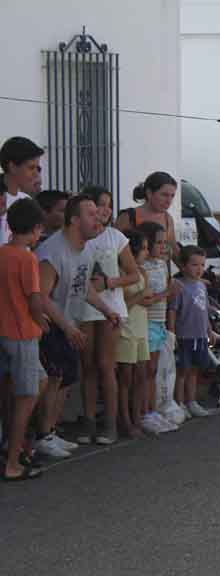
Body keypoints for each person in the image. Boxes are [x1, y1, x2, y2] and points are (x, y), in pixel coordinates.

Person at [35, 194, 121, 459]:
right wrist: (67, 327)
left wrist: (107, 310)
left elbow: (83, 288)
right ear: (74, 220)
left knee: (64, 379)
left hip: (69, 322)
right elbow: (41, 297)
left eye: (99, 213)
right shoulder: (52, 251)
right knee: (54, 379)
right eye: (91, 214)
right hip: (50, 326)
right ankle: (41, 436)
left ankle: (50, 431)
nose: (99, 218)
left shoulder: (86, 248)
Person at [77, 187, 139, 446]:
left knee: (106, 364)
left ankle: (110, 423)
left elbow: (134, 274)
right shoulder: (79, 238)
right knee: (87, 366)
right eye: (99, 205)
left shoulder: (116, 237)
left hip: (111, 307)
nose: (105, 210)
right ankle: (89, 421)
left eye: (108, 205)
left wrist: (110, 282)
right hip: (83, 308)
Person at [1, 199, 48, 480]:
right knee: (26, 397)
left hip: (4, 331)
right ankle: (13, 460)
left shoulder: (2, 253)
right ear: (36, 228)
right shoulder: (27, 258)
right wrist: (42, 321)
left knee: (33, 384)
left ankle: (10, 446)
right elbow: (34, 298)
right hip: (22, 332)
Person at [137, 222, 178, 432]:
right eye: (159, 243)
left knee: (154, 371)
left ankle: (152, 410)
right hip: (147, 321)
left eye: (165, 243)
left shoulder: (163, 264)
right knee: (146, 371)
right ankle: (144, 412)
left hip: (159, 322)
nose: (163, 247)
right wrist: (166, 293)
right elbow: (145, 298)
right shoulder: (142, 267)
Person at [167, 246, 215, 420]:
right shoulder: (178, 286)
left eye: (202, 265)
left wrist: (209, 330)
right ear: (184, 265)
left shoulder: (202, 286)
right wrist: (172, 333)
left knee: (194, 371)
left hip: (199, 336)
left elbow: (204, 311)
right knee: (182, 371)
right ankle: (179, 403)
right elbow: (172, 311)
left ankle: (191, 401)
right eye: (194, 265)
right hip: (184, 336)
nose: (199, 269)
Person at [116, 231, 153, 439]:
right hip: (126, 329)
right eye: (144, 248)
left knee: (141, 375)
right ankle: (125, 419)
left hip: (141, 328)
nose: (146, 252)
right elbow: (122, 305)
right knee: (125, 378)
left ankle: (137, 416)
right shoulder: (122, 273)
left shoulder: (142, 272)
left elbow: (146, 299)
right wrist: (140, 296)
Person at [115, 172, 179, 259]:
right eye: (164, 195)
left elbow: (174, 251)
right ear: (149, 193)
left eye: (172, 196)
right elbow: (114, 250)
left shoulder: (168, 219)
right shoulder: (128, 217)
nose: (169, 201)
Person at [1, 136, 44, 244]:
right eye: (31, 168)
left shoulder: (26, 200)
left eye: (37, 168)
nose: (36, 174)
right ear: (12, 167)